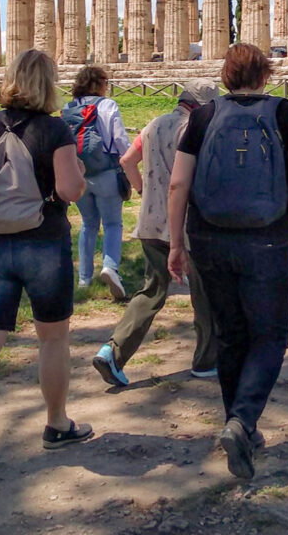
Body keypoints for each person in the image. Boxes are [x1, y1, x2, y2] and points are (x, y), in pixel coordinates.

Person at [167, 43, 288, 482]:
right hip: (269, 238)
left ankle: (240, 425)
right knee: (271, 335)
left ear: (225, 76)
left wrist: (176, 243)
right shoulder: (282, 113)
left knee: (231, 335)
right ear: (265, 75)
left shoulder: (202, 115)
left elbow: (178, 185)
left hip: (209, 238)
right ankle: (242, 421)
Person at [0, 49, 91, 487]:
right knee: (53, 338)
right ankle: (57, 423)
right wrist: (77, 172)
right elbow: (69, 190)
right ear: (49, 84)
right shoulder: (55, 129)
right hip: (43, 241)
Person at [92, 79, 220, 388]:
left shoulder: (153, 124)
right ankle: (206, 361)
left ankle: (113, 351)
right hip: (187, 225)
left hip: (151, 222)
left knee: (151, 291)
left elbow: (126, 161)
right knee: (205, 295)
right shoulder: (197, 131)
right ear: (203, 107)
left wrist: (143, 190)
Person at [62, 66, 130, 298]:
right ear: (100, 83)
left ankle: (84, 279)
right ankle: (110, 267)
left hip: (80, 173)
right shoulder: (108, 105)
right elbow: (120, 138)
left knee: (88, 224)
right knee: (112, 224)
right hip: (107, 172)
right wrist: (128, 163)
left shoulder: (68, 107)